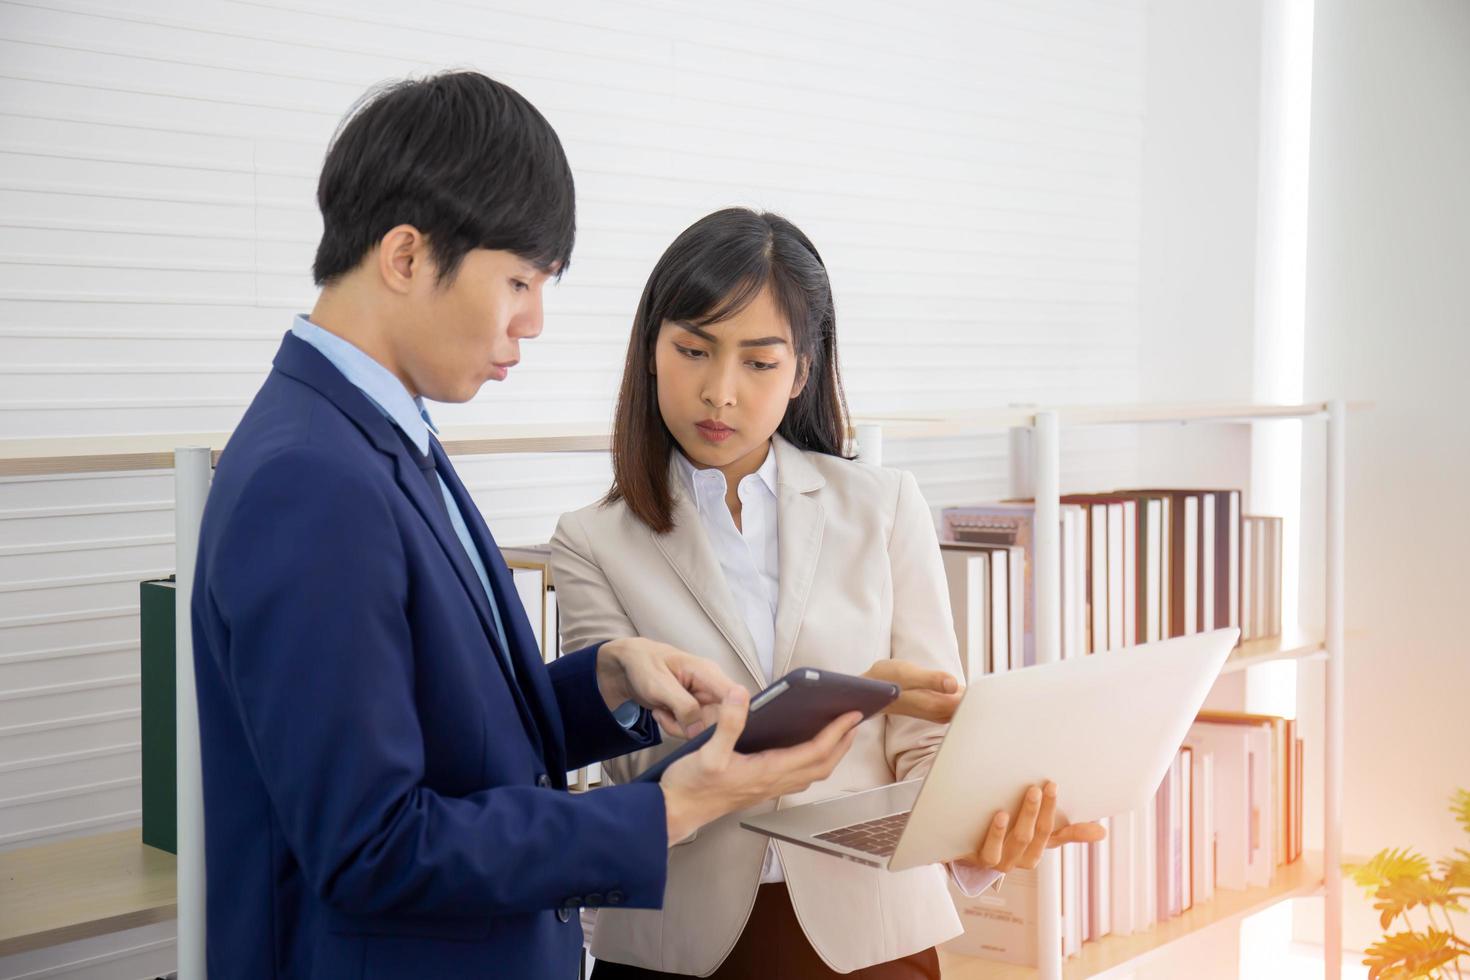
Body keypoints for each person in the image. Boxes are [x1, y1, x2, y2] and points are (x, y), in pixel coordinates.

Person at [190, 75, 862, 980]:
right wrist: (666, 811)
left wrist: (607, 682)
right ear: (404, 256)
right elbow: (373, 844)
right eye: (518, 281)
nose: (534, 321)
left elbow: (439, 727)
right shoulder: (312, 479)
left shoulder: (376, 432)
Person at [550, 208, 1107, 978]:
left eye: (759, 362)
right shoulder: (591, 541)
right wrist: (842, 700)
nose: (720, 392)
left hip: (868, 932)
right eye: (693, 350)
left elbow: (927, 736)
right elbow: (623, 773)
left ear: (802, 372)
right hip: (677, 945)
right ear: (651, 352)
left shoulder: (883, 506)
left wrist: (980, 829)